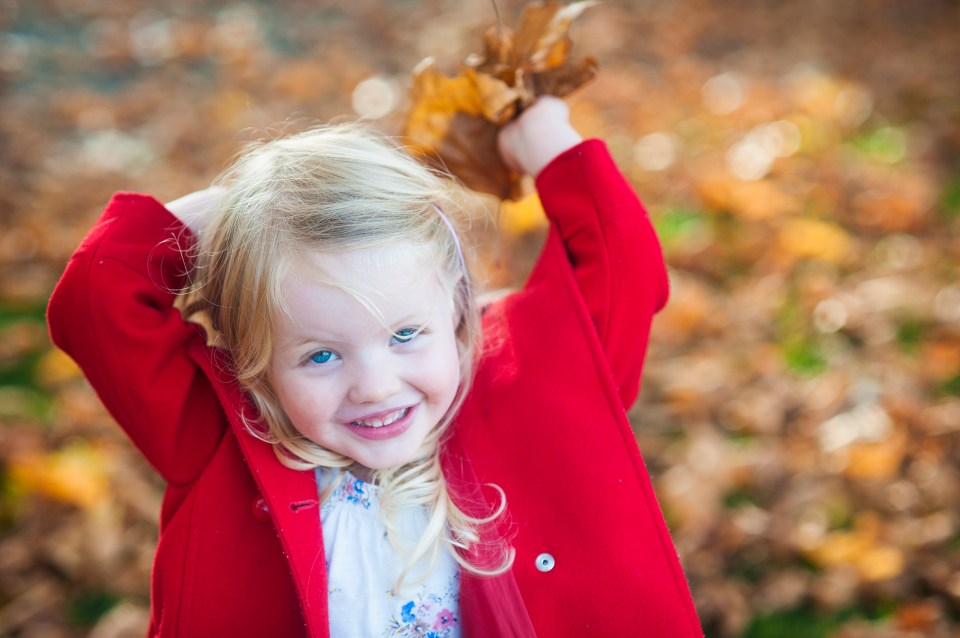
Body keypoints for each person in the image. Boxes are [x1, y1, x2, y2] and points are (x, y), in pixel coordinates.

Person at [47, 96, 703, 637]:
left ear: (455, 305)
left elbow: (621, 261)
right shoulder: (224, 437)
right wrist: (243, 210)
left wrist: (545, 139)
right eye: (321, 354)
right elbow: (94, 299)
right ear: (255, 359)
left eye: (406, 334)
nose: (375, 386)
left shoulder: (526, 384)